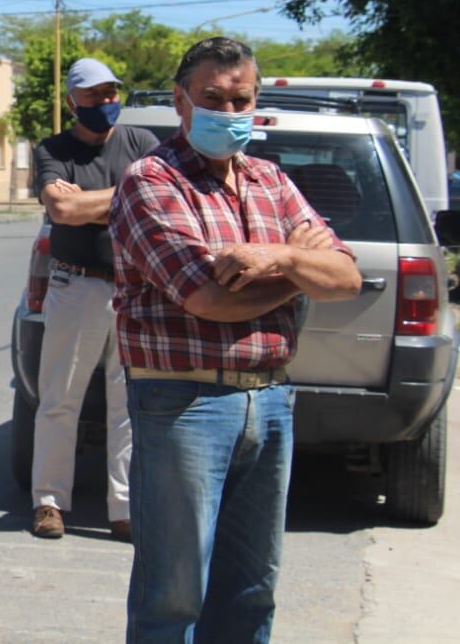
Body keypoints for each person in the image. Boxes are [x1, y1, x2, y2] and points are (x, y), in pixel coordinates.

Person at [110, 36, 362, 642]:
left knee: (252, 591)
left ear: (256, 101)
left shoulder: (271, 181)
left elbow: (347, 276)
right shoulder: (152, 181)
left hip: (271, 401)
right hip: (184, 405)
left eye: (240, 98)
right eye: (211, 98)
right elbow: (210, 299)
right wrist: (300, 272)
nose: (228, 110)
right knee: (173, 594)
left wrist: (272, 257)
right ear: (181, 101)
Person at [29, 58, 158, 541]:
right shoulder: (54, 150)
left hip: (133, 289)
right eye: (93, 96)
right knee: (60, 400)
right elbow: (62, 208)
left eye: (110, 94)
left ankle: (123, 508)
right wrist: (128, 194)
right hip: (76, 286)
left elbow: (159, 199)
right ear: (72, 102)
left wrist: (92, 203)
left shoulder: (141, 143)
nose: (105, 103)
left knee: (128, 404)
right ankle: (49, 502)